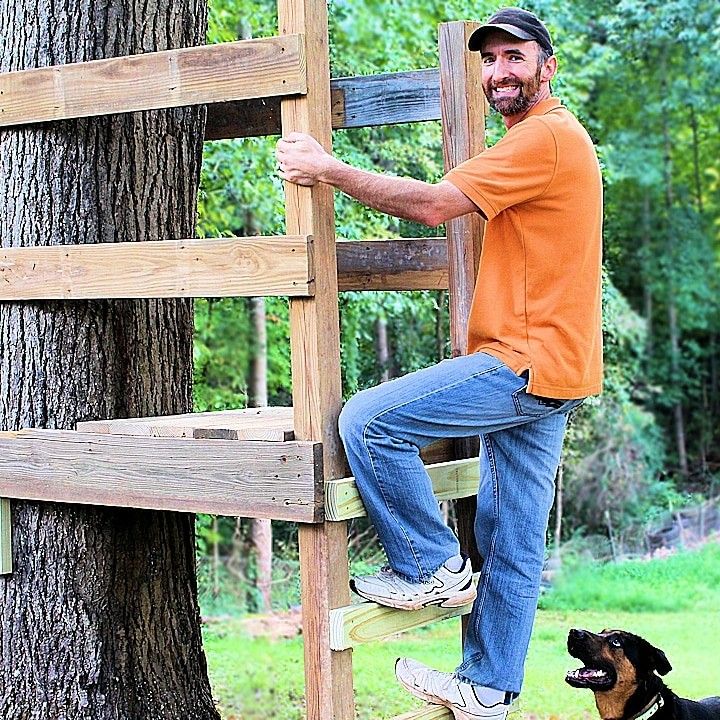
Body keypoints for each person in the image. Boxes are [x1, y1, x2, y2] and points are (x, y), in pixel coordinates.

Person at [276, 7, 603, 720]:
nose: (498, 72)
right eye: (488, 61)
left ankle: (429, 567)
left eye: (513, 57)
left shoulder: (544, 135)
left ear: (548, 66)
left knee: (368, 420)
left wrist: (326, 168)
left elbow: (433, 205)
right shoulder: (550, 139)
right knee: (512, 546)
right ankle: (487, 690)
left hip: (523, 364)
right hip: (558, 372)